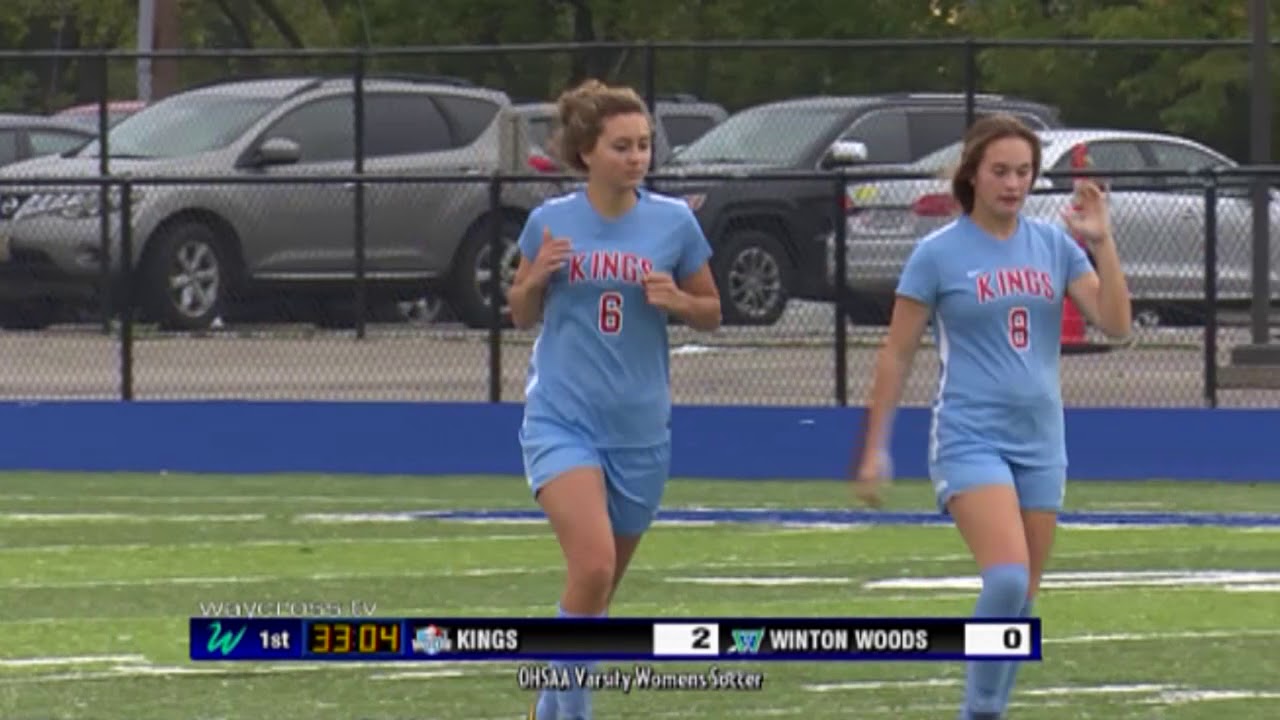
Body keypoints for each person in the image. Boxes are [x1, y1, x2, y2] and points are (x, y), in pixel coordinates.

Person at [850, 114, 1132, 719]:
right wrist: (875, 447)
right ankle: (977, 714)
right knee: (1005, 580)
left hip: (1041, 439)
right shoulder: (937, 254)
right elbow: (896, 354)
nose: (1013, 183)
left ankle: (990, 711)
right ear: (973, 174)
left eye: (1024, 172)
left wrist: (1102, 242)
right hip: (969, 436)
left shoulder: (1054, 246)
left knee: (1023, 595)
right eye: (1000, 171)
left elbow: (1117, 324)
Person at [507, 78, 721, 720]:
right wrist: (537, 279)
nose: (636, 157)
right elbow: (520, 312)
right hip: (563, 421)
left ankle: (547, 709)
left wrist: (679, 303)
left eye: (644, 146)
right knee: (593, 568)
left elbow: (711, 311)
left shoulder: (674, 221)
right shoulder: (550, 222)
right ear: (587, 153)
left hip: (640, 429)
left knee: (594, 598)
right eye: (622, 146)